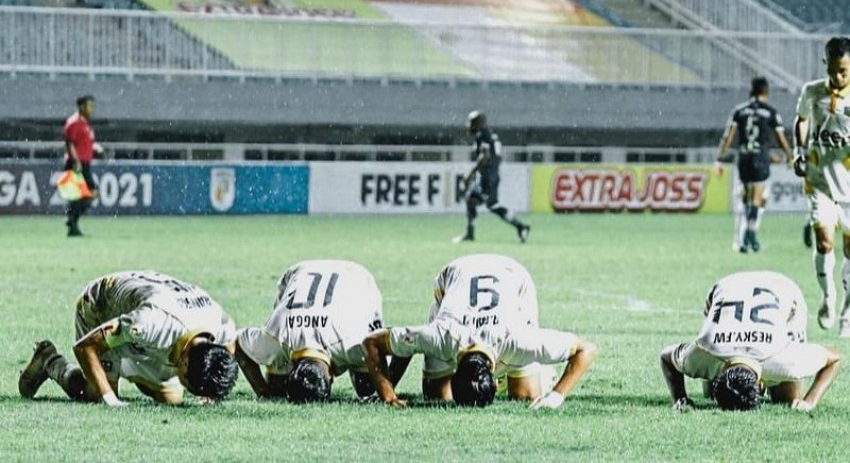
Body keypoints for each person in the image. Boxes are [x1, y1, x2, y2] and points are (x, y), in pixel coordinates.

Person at [362, 254, 597, 408]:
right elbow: (373, 342)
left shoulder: (519, 340)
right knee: (438, 397)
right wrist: (388, 395)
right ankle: (529, 371)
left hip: (514, 277)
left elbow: (586, 350)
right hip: (456, 273)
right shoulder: (441, 335)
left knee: (525, 396)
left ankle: (543, 371)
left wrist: (555, 396)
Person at [18, 271, 239, 406]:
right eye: (192, 386)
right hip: (100, 304)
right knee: (94, 393)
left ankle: (131, 372)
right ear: (186, 361)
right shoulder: (151, 323)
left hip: (144, 307)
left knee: (171, 399)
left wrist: (211, 393)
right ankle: (50, 361)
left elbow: (230, 346)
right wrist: (108, 397)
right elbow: (85, 347)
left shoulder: (219, 325)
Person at [660, 271, 840, 412]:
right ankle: (714, 384)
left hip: (782, 288)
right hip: (726, 287)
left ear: (760, 383)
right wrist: (680, 399)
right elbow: (666, 357)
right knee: (710, 394)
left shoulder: (786, 362)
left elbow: (835, 359)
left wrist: (810, 402)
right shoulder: (701, 355)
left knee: (788, 399)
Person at [235, 260, 392, 403]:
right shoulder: (273, 341)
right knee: (277, 387)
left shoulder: (355, 344)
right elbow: (235, 342)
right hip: (301, 272)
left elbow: (236, 342)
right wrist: (263, 391)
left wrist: (264, 392)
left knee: (368, 388)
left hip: (357, 277)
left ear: (331, 377)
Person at [793, 36, 850, 335]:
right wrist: (798, 152)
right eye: (832, 70)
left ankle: (847, 314)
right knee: (825, 242)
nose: (837, 76)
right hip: (819, 182)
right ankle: (828, 297)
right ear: (825, 64)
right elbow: (801, 120)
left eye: (843, 71)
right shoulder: (812, 91)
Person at [715, 77, 793, 253]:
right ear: (766, 92)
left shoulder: (739, 111)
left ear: (751, 91)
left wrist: (719, 158)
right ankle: (750, 236)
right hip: (760, 157)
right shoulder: (771, 112)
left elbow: (728, 136)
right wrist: (790, 156)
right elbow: (781, 139)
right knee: (757, 198)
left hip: (743, 157)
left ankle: (742, 239)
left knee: (746, 199)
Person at [454, 111, 530, 244]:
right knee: (475, 200)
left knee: (489, 204)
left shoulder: (484, 135)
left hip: (487, 177)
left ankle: (521, 227)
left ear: (479, 123)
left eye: (472, 123)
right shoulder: (489, 135)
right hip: (489, 175)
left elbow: (485, 156)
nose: (469, 126)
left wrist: (470, 174)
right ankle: (470, 233)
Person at [63, 95, 100, 237]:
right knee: (89, 193)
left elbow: (84, 143)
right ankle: (71, 220)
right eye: (89, 106)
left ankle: (72, 222)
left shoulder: (84, 123)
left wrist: (95, 150)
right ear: (81, 107)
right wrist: (76, 160)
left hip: (84, 162)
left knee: (82, 195)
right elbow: (70, 143)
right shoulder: (74, 122)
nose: (92, 109)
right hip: (78, 163)